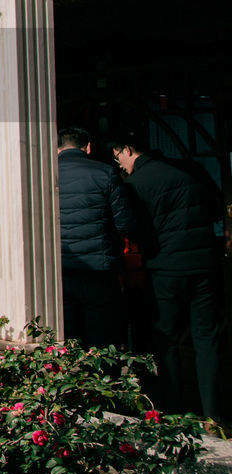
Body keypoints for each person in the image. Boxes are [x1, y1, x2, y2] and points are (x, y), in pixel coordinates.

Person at [112, 134, 225, 420]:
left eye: (118, 158)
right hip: (205, 266)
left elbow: (134, 229)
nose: (120, 166)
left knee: (167, 341)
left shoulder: (137, 184)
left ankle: (174, 410)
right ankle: (215, 413)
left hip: (165, 269)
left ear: (128, 149)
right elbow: (216, 209)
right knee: (208, 340)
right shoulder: (192, 171)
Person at [57, 126, 134, 348]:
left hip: (61, 270)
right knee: (102, 339)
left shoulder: (44, 175)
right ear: (88, 148)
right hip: (99, 270)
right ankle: (104, 380)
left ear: (57, 149)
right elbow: (124, 224)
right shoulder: (106, 173)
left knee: (69, 338)